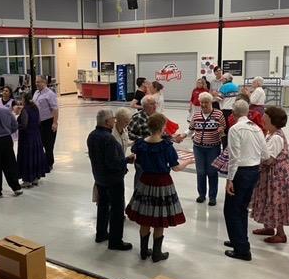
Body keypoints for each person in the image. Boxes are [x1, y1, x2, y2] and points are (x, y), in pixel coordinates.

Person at [126, 113, 192, 262]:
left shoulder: (141, 144)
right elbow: (175, 167)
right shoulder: (166, 146)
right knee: (159, 219)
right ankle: (157, 253)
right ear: (163, 127)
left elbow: (137, 159)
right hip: (162, 183)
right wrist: (187, 162)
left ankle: (144, 251)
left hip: (145, 182)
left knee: (145, 218)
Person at [223, 99, 268, 261]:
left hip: (240, 173)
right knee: (242, 209)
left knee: (231, 210)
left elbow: (234, 157)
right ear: (248, 112)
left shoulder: (235, 129)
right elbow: (265, 154)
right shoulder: (256, 128)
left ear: (233, 114)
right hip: (253, 171)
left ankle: (242, 250)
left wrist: (229, 179)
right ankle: (238, 239)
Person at [250, 106, 289, 243]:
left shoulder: (276, 137)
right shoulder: (271, 134)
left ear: (272, 120)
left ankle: (281, 234)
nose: (262, 119)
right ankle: (269, 227)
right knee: (268, 199)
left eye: (265, 117)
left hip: (277, 176)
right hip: (272, 174)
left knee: (276, 200)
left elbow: (269, 159)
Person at [87, 109, 136, 250]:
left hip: (99, 177)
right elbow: (113, 163)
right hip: (113, 179)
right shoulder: (108, 139)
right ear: (107, 121)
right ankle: (115, 241)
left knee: (103, 206)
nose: (114, 121)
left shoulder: (92, 135)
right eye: (112, 119)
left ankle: (101, 233)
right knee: (117, 210)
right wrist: (127, 160)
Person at [189, 92, 225, 206]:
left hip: (213, 148)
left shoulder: (218, 114)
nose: (204, 105)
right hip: (198, 148)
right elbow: (191, 128)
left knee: (212, 172)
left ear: (211, 102)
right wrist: (183, 135)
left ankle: (212, 197)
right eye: (202, 102)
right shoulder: (196, 115)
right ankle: (201, 194)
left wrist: (221, 129)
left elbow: (223, 126)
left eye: (206, 102)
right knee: (200, 172)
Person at [17, 92, 49, 188]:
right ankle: (35, 178)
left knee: (27, 157)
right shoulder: (35, 108)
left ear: (24, 99)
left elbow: (24, 125)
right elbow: (38, 121)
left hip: (27, 138)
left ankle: (27, 180)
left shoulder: (25, 110)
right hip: (36, 136)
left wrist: (15, 125)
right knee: (36, 157)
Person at [33, 75, 59, 170]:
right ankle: (41, 161)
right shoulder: (36, 93)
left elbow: (55, 109)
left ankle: (49, 163)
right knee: (39, 143)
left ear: (44, 82)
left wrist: (55, 123)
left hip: (48, 122)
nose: (36, 84)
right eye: (36, 82)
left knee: (48, 144)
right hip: (38, 122)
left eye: (38, 82)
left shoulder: (50, 94)